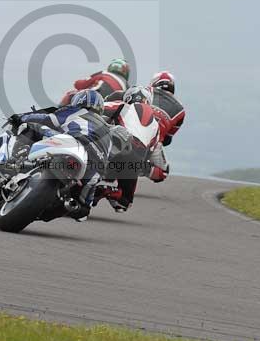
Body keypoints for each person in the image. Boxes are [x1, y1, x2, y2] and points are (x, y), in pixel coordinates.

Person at [13, 89, 113, 221]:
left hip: (75, 144)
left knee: (29, 126)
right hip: (95, 167)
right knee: (83, 209)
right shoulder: (109, 131)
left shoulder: (76, 111)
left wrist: (20, 118)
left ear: (78, 101)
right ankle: (61, 205)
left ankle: (14, 162)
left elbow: (46, 119)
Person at [102, 85, 170, 212]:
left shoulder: (121, 105)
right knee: (124, 203)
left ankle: (95, 184)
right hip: (135, 162)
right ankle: (108, 190)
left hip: (114, 152)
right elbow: (151, 151)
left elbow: (98, 108)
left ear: (128, 97)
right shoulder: (156, 126)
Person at [59, 58, 130, 105]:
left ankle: (58, 115)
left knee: (70, 94)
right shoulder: (127, 85)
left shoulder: (104, 73)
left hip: (93, 98)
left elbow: (79, 84)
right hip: (111, 107)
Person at [149, 71, 185, 146]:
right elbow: (166, 140)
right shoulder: (180, 110)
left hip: (131, 136)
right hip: (153, 146)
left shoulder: (145, 91)